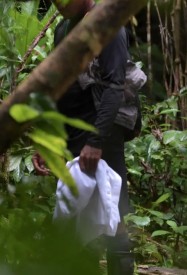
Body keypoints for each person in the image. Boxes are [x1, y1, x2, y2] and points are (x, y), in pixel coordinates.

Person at [32, 0, 135, 274]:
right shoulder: (64, 28)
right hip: (71, 132)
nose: (60, 4)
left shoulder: (106, 24)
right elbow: (56, 87)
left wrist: (96, 141)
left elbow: (115, 85)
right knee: (76, 217)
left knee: (115, 210)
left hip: (102, 131)